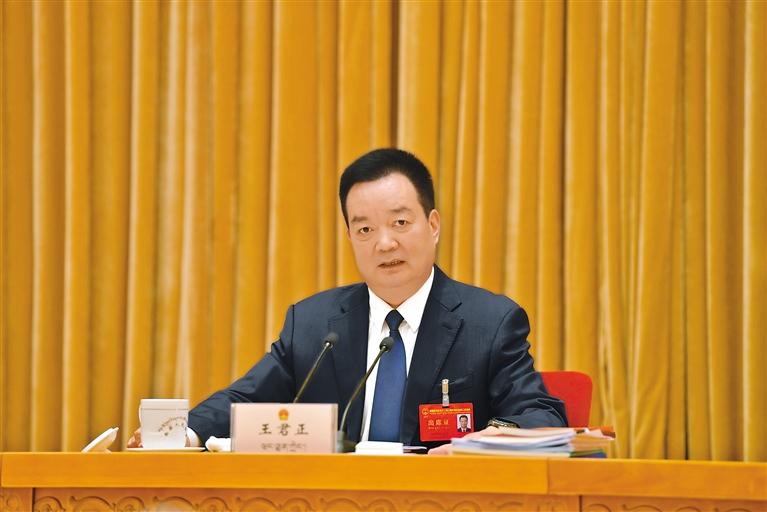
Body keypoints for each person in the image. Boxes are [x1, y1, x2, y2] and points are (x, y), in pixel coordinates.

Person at [128, 148, 566, 450]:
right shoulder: (315, 326)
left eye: (400, 222)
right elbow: (247, 400)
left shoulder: (490, 322)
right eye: (365, 229)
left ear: (433, 225)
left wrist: (486, 439)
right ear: (350, 237)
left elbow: (539, 413)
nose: (385, 243)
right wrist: (181, 433)